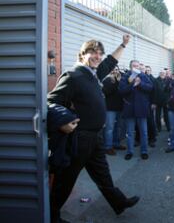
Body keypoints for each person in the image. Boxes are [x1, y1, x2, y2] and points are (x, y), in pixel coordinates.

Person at [47, 35, 139, 223]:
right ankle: (51, 216)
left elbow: (110, 62)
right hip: (79, 138)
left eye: (100, 53)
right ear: (82, 55)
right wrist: (63, 122)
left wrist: (123, 44)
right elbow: (51, 102)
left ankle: (119, 202)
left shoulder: (93, 74)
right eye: (93, 52)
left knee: (103, 175)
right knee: (66, 181)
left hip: (96, 138)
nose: (97, 56)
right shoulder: (73, 75)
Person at [119, 60, 153, 160]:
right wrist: (132, 85)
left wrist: (140, 84)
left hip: (142, 108)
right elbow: (121, 91)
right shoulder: (126, 77)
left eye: (137, 66)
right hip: (129, 108)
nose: (136, 68)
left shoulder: (143, 76)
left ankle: (144, 151)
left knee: (144, 132)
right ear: (130, 67)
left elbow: (150, 88)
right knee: (130, 133)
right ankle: (129, 152)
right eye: (134, 66)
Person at [102, 66, 126, 155]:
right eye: (113, 69)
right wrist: (116, 83)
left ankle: (115, 143)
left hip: (119, 107)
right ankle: (108, 146)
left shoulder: (120, 79)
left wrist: (119, 81)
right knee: (109, 128)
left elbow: (123, 91)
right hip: (110, 108)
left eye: (116, 69)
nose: (115, 71)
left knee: (117, 127)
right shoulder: (107, 80)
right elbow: (106, 92)